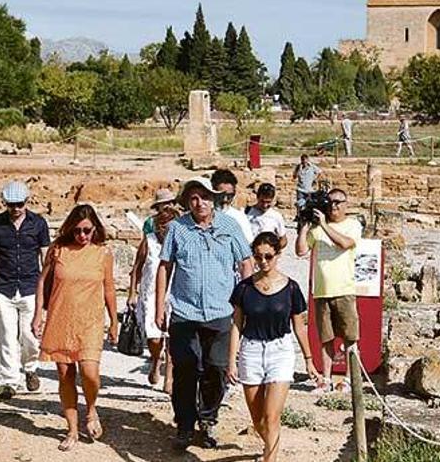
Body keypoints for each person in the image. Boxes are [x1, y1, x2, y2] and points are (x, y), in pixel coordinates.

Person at [155, 177, 253, 451]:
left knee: (216, 368)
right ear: (187, 202)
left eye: (205, 197)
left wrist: (245, 301)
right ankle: (185, 426)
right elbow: (165, 266)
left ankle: (208, 419)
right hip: (185, 312)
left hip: (221, 311)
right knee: (186, 369)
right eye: (194, 198)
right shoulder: (177, 228)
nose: (200, 203)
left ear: (214, 199)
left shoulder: (229, 226)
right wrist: (160, 304)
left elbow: (246, 262)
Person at [31, 204, 118, 452]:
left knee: (90, 373)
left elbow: (109, 289)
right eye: (77, 230)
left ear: (95, 229)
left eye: (87, 231)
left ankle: (90, 410)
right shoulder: (58, 250)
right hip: (60, 317)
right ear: (70, 229)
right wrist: (38, 314)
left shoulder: (103, 254)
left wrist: (114, 321)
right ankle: (71, 430)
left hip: (90, 320)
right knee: (64, 375)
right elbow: (41, 282)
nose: (82, 236)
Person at [227, 232, 320, 462]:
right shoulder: (244, 288)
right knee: (258, 420)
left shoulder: (291, 289)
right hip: (251, 350)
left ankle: (271, 458)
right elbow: (237, 325)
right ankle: (268, 448)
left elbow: (299, 327)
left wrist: (309, 359)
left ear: (278, 254)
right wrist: (231, 361)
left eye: (268, 256)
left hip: (280, 351)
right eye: (258, 257)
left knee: (271, 417)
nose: (263, 262)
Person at [0, 181, 50, 399]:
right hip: (4, 286)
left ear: (27, 202)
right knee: (7, 336)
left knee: (30, 336)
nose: (15, 209)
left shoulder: (38, 223)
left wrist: (48, 285)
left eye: (19, 204)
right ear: (5, 203)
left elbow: (45, 254)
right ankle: (10, 381)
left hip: (30, 286)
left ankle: (30, 369)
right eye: (11, 205)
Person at [295, 188, 362, 393]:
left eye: (339, 202)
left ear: (346, 204)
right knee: (326, 338)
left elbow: (345, 243)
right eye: (331, 202)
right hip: (322, 290)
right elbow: (301, 251)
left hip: (343, 289)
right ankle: (326, 378)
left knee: (350, 337)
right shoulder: (318, 228)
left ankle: (349, 379)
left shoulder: (352, 225)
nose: (334, 206)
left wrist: (324, 225)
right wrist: (304, 228)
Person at [127, 204, 179, 393]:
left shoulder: (179, 242)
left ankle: (170, 377)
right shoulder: (149, 242)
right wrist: (132, 292)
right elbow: (137, 268)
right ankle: (156, 359)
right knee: (154, 338)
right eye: (164, 226)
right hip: (150, 296)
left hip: (173, 295)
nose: (167, 230)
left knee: (173, 337)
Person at [211, 169, 254, 244]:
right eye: (221, 195)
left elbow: (248, 242)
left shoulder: (238, 217)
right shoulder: (202, 214)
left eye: (229, 195)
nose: (225, 199)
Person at [245, 183, 288, 249]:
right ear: (257, 197)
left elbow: (283, 238)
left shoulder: (276, 216)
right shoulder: (246, 213)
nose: (265, 205)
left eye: (268, 202)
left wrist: (274, 251)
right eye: (262, 201)